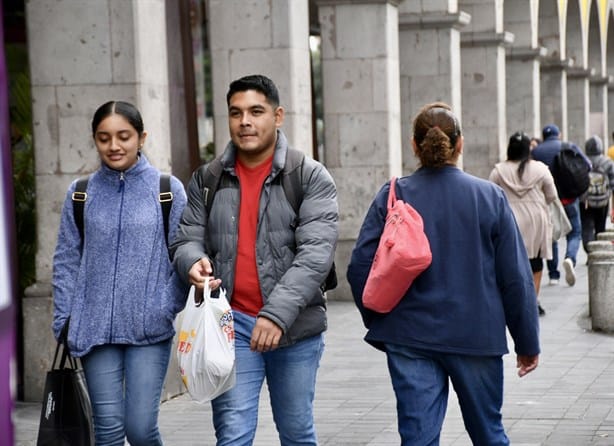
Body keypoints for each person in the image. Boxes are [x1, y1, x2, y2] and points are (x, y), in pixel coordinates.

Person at [347, 102, 540, 446]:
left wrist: (380, 320)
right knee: (489, 435)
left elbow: (359, 265)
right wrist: (526, 341)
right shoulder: (489, 197)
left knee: (418, 438)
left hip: (410, 336)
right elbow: (515, 277)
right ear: (459, 144)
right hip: (476, 336)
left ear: (414, 146)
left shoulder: (394, 194)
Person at [170, 74, 339, 445]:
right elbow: (187, 238)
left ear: (278, 116)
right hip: (231, 326)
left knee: (296, 432)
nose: (244, 121)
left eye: (255, 111)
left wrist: (276, 315)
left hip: (295, 328)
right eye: (236, 113)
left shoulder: (308, 176)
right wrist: (192, 261)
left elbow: (315, 255)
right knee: (232, 434)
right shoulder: (208, 179)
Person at [52, 100, 188, 446]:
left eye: (124, 136)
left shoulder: (168, 190)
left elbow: (183, 255)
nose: (114, 146)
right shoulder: (80, 194)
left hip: (148, 328)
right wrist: (65, 318)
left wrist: (165, 305)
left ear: (141, 138)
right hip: (94, 330)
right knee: (108, 432)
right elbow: (67, 259)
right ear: (95, 140)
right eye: (104, 137)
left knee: (141, 429)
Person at [489, 132, 558, 316]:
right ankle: (532, 301)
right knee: (535, 263)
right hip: (536, 220)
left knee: (512, 263)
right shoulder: (541, 169)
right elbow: (551, 195)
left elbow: (491, 197)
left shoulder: (498, 171)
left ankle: (515, 300)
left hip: (510, 219)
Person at [531, 124, 588, 287]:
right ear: (559, 134)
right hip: (569, 198)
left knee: (552, 236)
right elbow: (587, 166)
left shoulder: (536, 151)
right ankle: (570, 257)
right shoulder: (568, 146)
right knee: (575, 232)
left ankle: (554, 274)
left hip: (548, 201)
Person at [580, 135, 614, 251]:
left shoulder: (582, 161)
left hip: (586, 201)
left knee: (587, 227)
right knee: (600, 227)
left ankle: (589, 251)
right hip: (603, 200)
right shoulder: (608, 162)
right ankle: (598, 251)